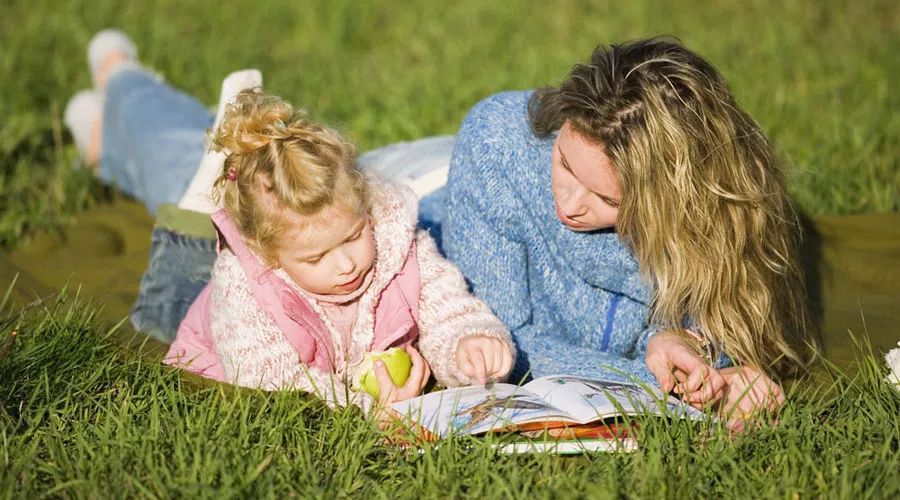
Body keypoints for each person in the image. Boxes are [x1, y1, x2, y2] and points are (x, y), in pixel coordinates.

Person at [63, 30, 514, 414]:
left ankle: (104, 141)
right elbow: (273, 382)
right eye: (317, 256)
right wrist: (366, 408)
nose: (346, 266)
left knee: (176, 170)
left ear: (363, 206)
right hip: (209, 328)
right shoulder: (246, 287)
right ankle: (122, 76)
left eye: (354, 237)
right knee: (166, 298)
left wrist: (469, 345)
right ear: (266, 252)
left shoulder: (396, 237)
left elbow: (446, 305)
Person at [438, 37, 815, 419]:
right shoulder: (498, 145)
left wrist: (685, 347)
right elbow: (498, 344)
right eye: (565, 163)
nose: (569, 206)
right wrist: (661, 388)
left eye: (609, 200)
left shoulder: (708, 219)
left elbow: (721, 327)